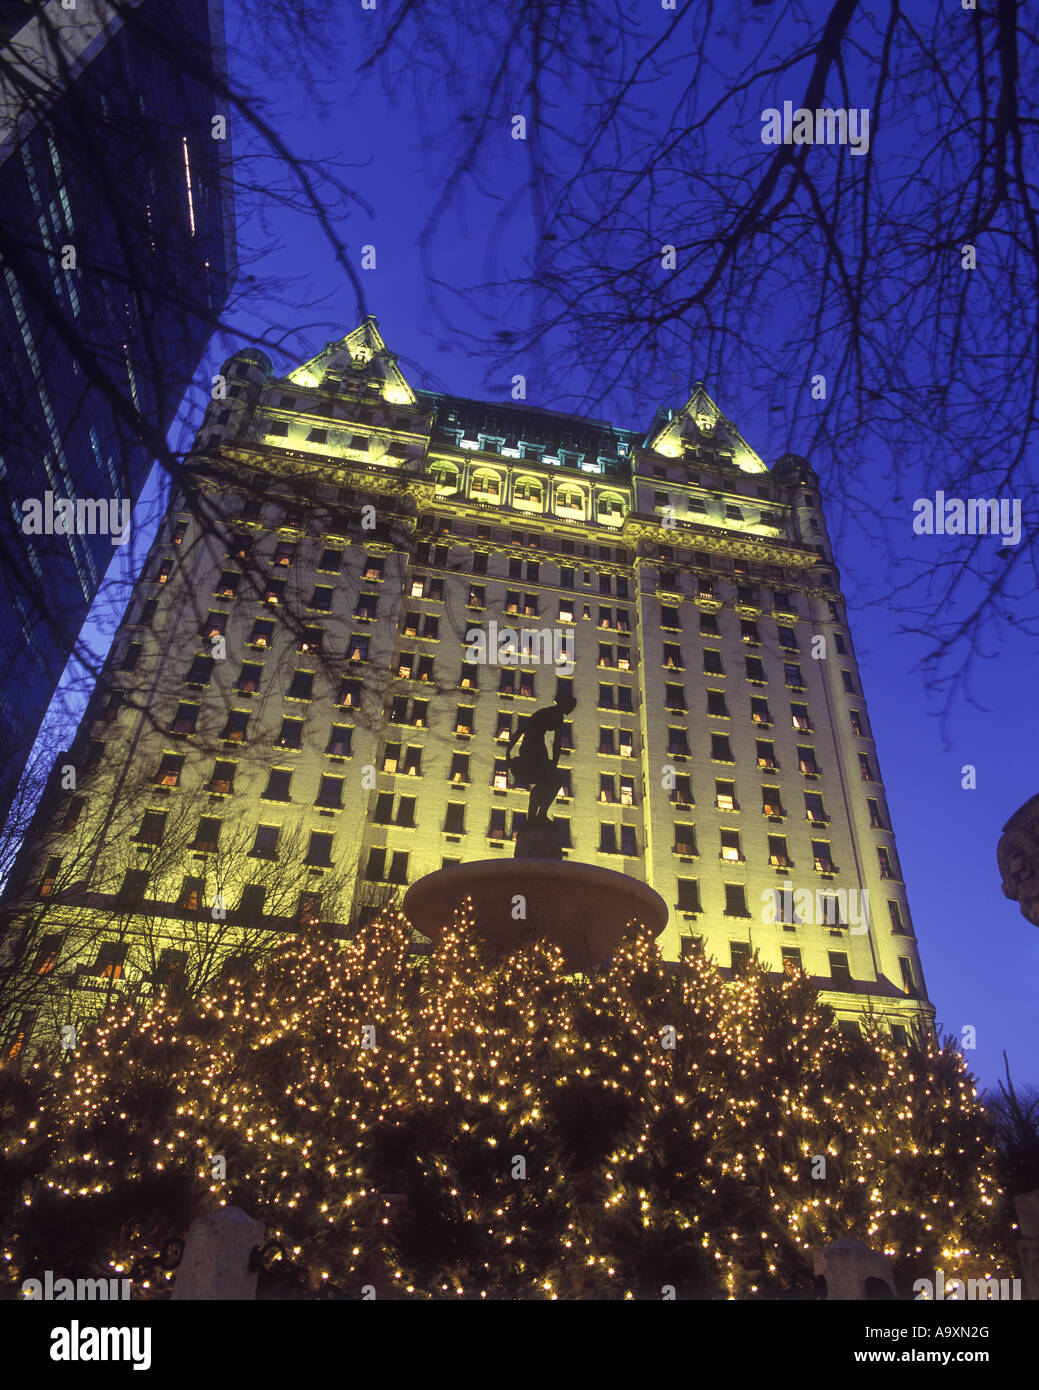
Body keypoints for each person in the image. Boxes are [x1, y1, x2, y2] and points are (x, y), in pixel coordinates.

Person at [506, 693, 577, 825]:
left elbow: (557, 742)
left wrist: (554, 762)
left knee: (552, 781)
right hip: (531, 747)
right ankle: (535, 815)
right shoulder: (546, 713)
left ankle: (540, 814)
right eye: (571, 707)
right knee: (551, 779)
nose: (572, 710)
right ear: (564, 704)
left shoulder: (559, 717)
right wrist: (508, 750)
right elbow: (522, 729)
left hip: (539, 747)